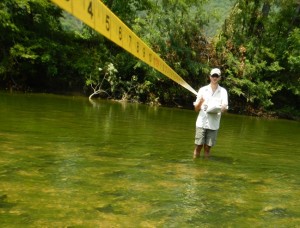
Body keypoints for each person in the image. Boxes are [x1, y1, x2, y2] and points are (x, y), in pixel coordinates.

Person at [193, 68, 228, 159]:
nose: (214, 78)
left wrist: (222, 108)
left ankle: (205, 170)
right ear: (210, 77)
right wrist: (200, 102)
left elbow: (225, 108)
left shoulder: (223, 91)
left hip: (214, 124)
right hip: (201, 123)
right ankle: (195, 169)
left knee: (208, 149)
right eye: (213, 75)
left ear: (220, 78)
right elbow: (196, 109)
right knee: (198, 147)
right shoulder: (202, 90)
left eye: (216, 76)